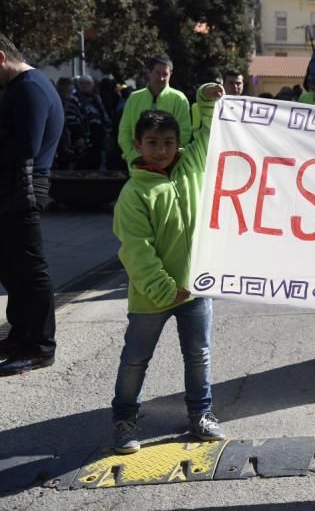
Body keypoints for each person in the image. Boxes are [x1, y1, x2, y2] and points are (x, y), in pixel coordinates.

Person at [110, 82, 226, 454]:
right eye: (153, 142)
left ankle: (200, 415)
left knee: (199, 355)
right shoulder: (134, 193)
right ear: (138, 145)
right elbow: (136, 250)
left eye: (168, 142)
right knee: (135, 360)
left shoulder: (191, 165)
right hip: (151, 298)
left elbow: (209, 132)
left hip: (194, 288)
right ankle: (125, 420)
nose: (161, 150)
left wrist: (206, 100)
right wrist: (163, 289)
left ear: (179, 143)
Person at [0, 33, 64, 375]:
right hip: (13, 188)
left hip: (25, 188)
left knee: (29, 271)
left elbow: (25, 145)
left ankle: (40, 346)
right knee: (12, 269)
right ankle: (21, 335)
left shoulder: (29, 88)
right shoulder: (20, 86)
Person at [117, 56, 192, 169]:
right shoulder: (134, 98)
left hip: (168, 166)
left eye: (165, 74)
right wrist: (133, 156)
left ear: (170, 74)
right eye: (157, 73)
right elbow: (124, 131)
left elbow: (184, 133)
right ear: (149, 72)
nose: (161, 78)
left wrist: (168, 157)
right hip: (138, 165)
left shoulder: (179, 99)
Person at [75, 75, 111, 169]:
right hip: (84, 136)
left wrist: (107, 131)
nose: (85, 86)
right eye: (82, 83)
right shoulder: (75, 98)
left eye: (88, 83)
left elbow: (104, 114)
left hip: (98, 136)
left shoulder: (96, 98)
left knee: (97, 161)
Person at [54, 76, 86, 169]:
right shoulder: (68, 101)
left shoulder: (58, 99)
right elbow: (72, 120)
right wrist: (78, 136)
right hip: (68, 139)